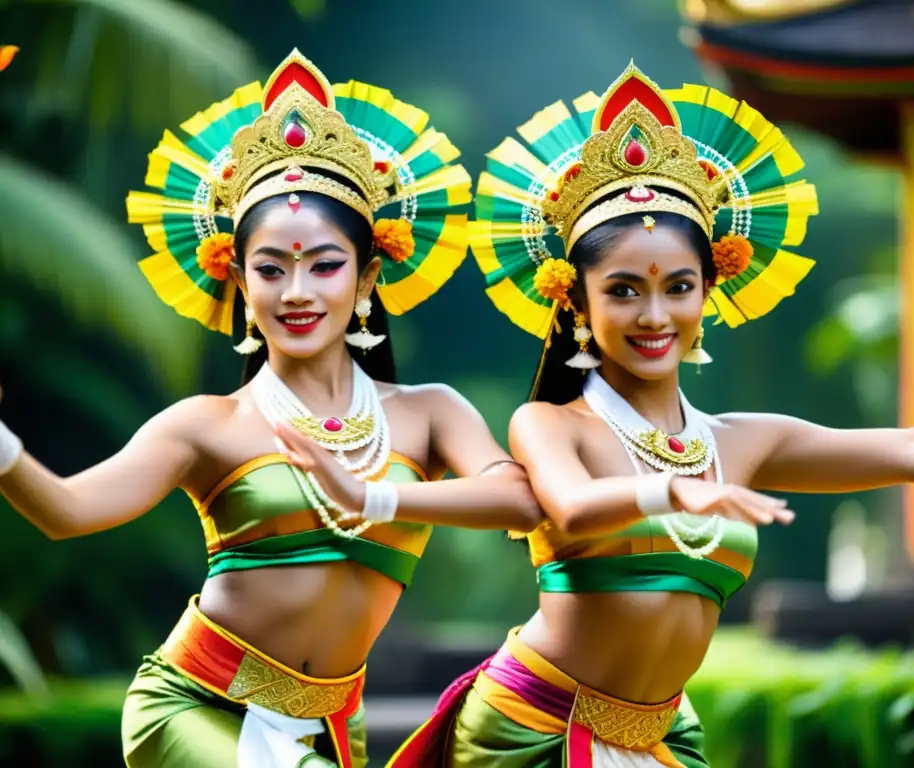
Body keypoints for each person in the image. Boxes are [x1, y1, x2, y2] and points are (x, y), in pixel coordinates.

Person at [385, 62, 914, 767]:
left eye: (677, 287)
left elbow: (912, 450)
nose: (654, 315)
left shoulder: (740, 441)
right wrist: (671, 488)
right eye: (624, 290)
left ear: (707, 290)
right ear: (575, 301)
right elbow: (569, 507)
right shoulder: (552, 425)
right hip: (535, 725)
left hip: (657, 736)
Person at [0, 49, 540, 768]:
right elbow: (67, 511)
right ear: (237, 278)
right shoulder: (208, 425)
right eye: (270, 269)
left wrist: (370, 495)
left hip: (325, 726)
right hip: (197, 706)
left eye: (324, 265)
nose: (297, 292)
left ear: (368, 274)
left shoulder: (428, 413)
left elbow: (520, 502)